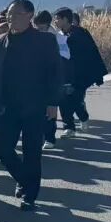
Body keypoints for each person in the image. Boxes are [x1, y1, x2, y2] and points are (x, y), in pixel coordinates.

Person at [0, 0, 62, 210]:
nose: (11, 18)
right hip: (7, 106)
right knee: (1, 148)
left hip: (35, 105)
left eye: (16, 14)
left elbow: (55, 72)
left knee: (32, 151)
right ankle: (24, 179)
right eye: (9, 14)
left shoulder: (44, 41)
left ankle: (30, 195)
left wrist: (53, 102)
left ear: (29, 16)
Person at [54, 7, 106, 136]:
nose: (55, 21)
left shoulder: (80, 33)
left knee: (75, 100)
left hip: (80, 75)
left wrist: (97, 74)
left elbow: (91, 53)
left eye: (57, 19)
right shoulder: (58, 36)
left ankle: (83, 116)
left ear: (65, 19)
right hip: (64, 74)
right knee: (63, 101)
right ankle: (69, 127)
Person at [35, 10, 71, 149]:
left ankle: (50, 138)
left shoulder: (57, 38)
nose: (39, 29)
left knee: (50, 108)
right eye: (37, 26)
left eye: (42, 27)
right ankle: (41, 136)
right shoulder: (33, 37)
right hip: (37, 79)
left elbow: (65, 56)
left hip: (52, 78)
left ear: (47, 25)